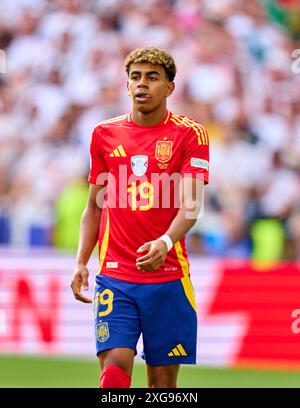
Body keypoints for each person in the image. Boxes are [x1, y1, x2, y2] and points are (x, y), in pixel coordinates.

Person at [70, 46, 209, 388]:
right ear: (127, 84)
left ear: (169, 88)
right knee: (114, 375)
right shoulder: (104, 134)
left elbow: (191, 205)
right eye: (135, 77)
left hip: (169, 277)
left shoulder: (190, 134)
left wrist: (165, 241)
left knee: (161, 386)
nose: (142, 84)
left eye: (152, 77)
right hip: (116, 277)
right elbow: (94, 206)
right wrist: (81, 261)